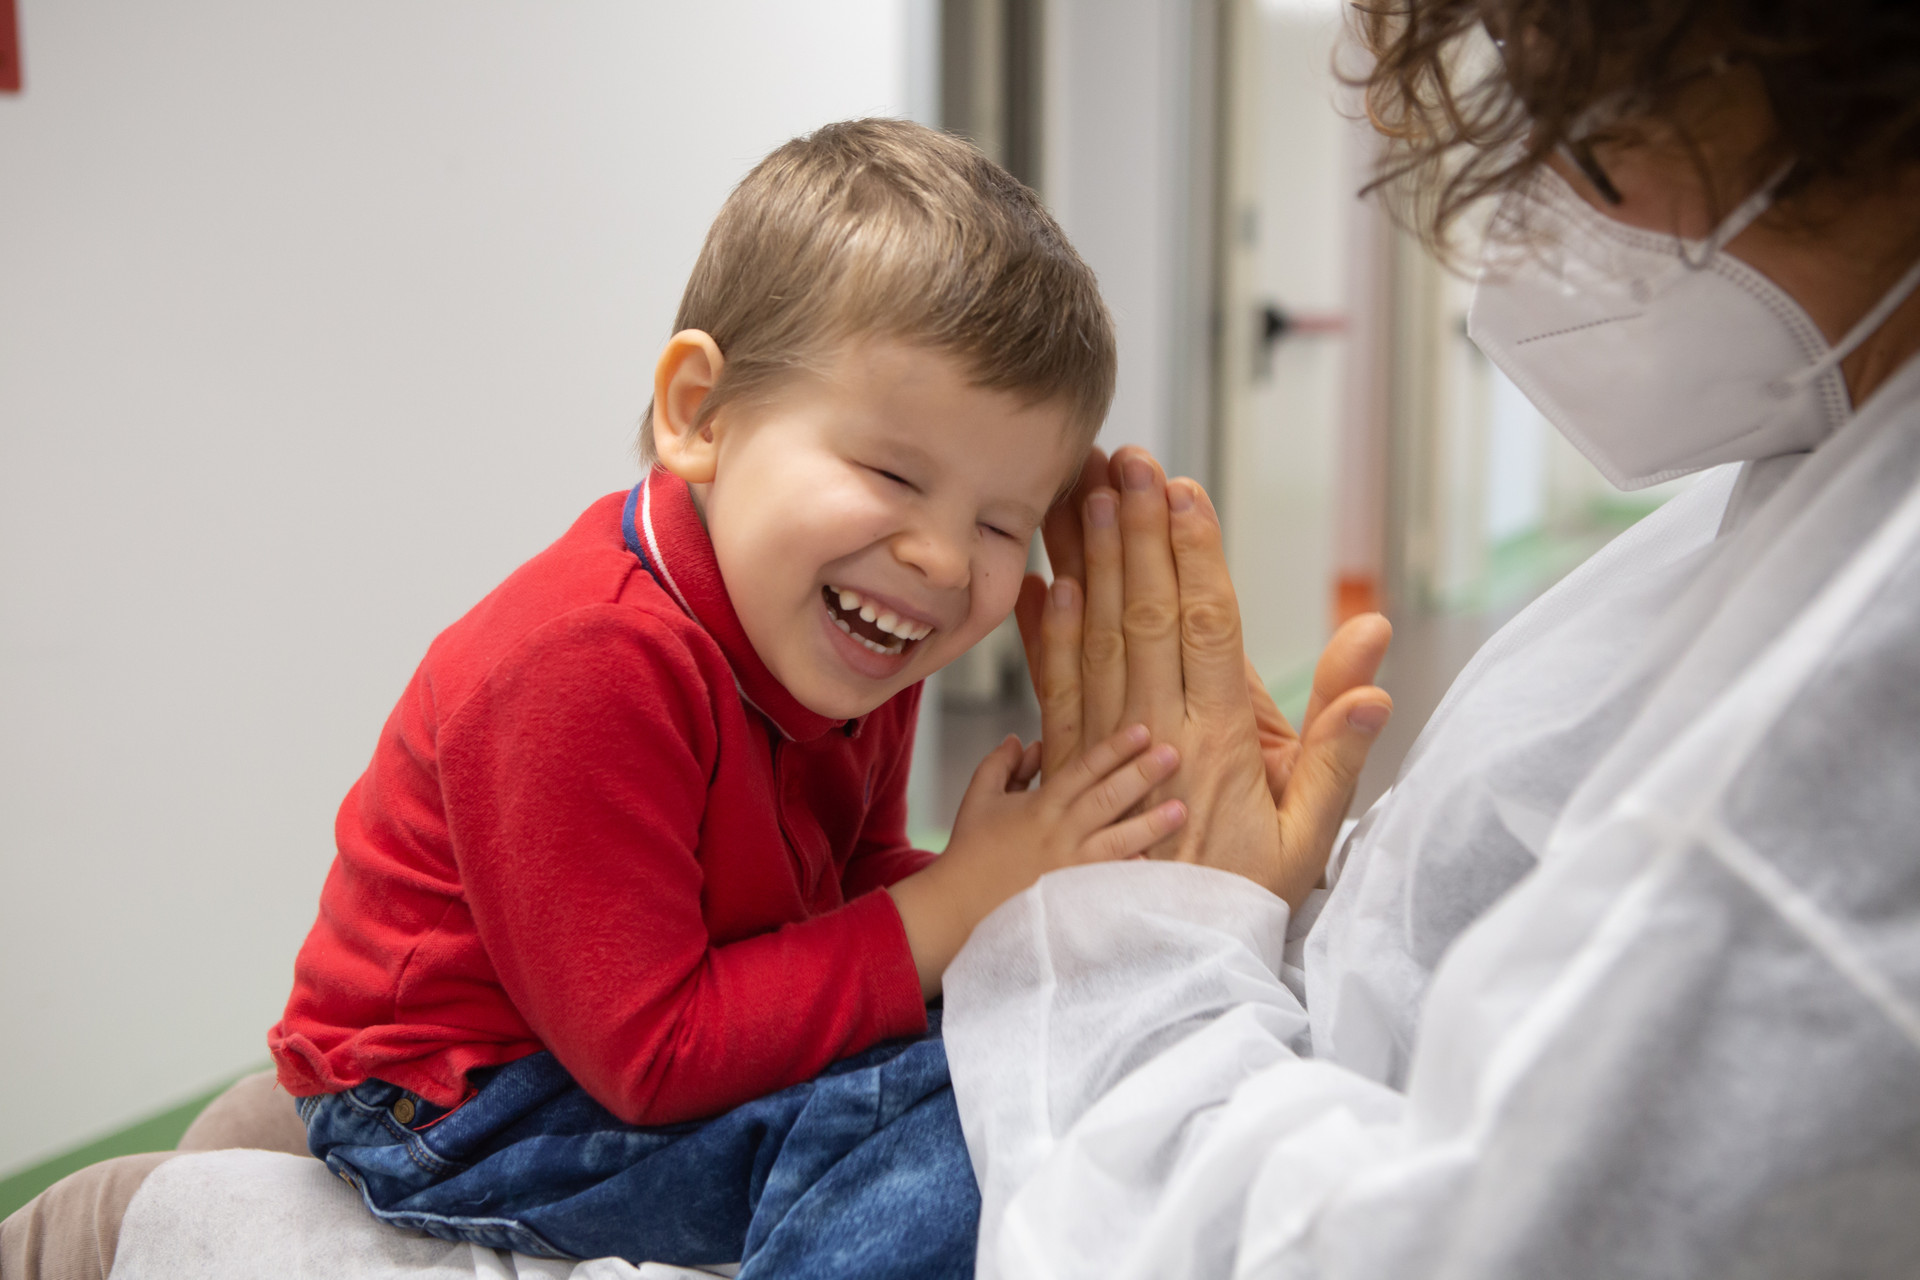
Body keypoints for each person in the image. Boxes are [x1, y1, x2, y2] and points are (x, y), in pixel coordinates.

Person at [0, 118, 1195, 1280]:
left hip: (606, 1034)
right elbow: (656, 1054)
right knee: (953, 1123)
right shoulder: (587, 662)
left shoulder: (853, 625)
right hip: (449, 1099)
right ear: (698, 415)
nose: (943, 559)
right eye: (891, 472)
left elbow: (838, 893)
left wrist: (1003, 879)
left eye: (1000, 523)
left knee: (1013, 1033)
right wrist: (958, 898)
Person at [946, 2, 1920, 1276]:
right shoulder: (1821, 481)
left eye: (1594, 126)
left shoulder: (1868, 696)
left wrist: (1149, 937)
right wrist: (1270, 907)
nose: (1533, 189)